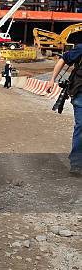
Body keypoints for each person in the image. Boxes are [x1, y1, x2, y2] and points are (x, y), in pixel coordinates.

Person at [48, 44, 82, 175]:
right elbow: (63, 59)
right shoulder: (80, 49)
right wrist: (52, 80)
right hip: (80, 93)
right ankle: (77, 163)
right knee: (81, 127)